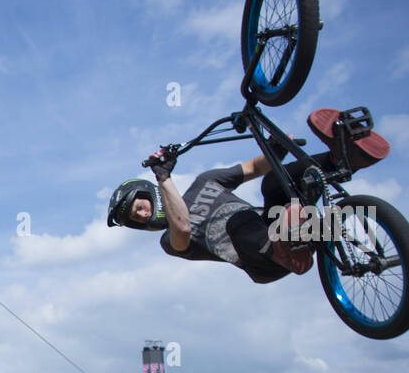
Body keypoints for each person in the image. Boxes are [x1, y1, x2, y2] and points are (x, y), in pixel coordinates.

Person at [107, 120, 389, 282]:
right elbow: (182, 228)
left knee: (272, 182)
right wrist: (164, 177)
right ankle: (290, 247)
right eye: (137, 219)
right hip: (261, 260)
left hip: (277, 228)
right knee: (239, 220)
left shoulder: (207, 181)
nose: (143, 216)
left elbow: (255, 167)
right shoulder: (169, 241)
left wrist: (276, 152)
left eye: (140, 208)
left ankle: (342, 159)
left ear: (150, 197)